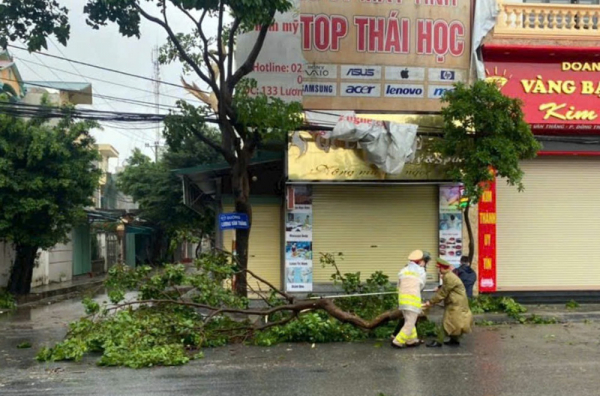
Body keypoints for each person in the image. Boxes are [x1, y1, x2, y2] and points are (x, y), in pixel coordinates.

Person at [424, 258, 473, 347]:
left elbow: (443, 292)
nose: (438, 271)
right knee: (456, 321)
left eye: (439, 268)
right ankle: (455, 340)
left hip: (456, 303)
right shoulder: (449, 276)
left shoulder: (449, 277)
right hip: (457, 302)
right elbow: (445, 288)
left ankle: (439, 341)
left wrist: (431, 302)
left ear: (442, 268)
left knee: (447, 322)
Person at [391, 250, 430, 349]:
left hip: (402, 300)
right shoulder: (421, 271)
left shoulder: (403, 270)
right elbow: (421, 286)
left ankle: (411, 340)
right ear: (421, 261)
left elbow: (398, 285)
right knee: (410, 322)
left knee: (409, 320)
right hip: (413, 300)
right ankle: (398, 341)